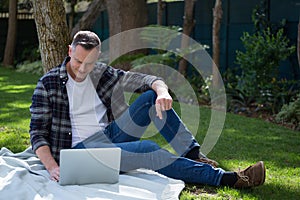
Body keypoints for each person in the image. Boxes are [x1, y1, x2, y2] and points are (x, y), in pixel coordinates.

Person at [29, 30, 265, 188]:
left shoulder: (100, 73)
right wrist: (52, 167)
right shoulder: (48, 84)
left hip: (109, 136)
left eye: (89, 63)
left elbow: (144, 79)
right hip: (78, 153)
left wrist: (162, 92)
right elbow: (37, 133)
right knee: (147, 149)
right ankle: (228, 179)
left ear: (98, 56)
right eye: (79, 61)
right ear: (70, 51)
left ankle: (193, 155)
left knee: (152, 96)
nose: (83, 69)